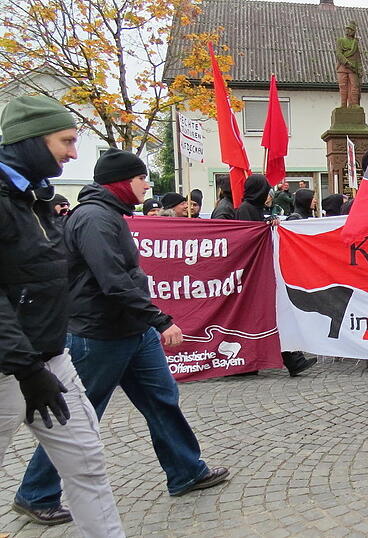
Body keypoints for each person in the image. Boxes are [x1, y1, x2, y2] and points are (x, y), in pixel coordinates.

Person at [15, 149, 229, 522]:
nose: (148, 184)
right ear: (121, 181)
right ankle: (36, 493)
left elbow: (121, 279)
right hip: (98, 334)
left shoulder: (108, 214)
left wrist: (147, 321)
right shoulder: (95, 218)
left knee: (162, 399)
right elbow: (112, 281)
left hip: (131, 330)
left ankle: (185, 471)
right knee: (78, 416)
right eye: (142, 177)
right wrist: (160, 320)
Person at [0, 94, 123, 535]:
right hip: (10, 371)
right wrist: (25, 369)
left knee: (87, 464)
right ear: (30, 140)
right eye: (66, 141)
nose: (73, 153)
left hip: (52, 360)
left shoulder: (35, 198)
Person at [234, 174, 317, 376]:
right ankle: (291, 360)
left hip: (258, 273)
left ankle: (287, 360)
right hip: (255, 274)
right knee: (273, 315)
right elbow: (248, 240)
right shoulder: (246, 209)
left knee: (270, 316)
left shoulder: (252, 209)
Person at [335, 21, 363, 107]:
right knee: (343, 86)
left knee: (354, 86)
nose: (348, 31)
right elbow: (338, 54)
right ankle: (343, 105)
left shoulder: (355, 43)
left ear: (353, 31)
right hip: (343, 67)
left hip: (353, 68)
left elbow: (358, 57)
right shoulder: (340, 41)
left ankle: (353, 104)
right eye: (347, 29)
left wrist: (360, 68)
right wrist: (346, 62)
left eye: (350, 29)